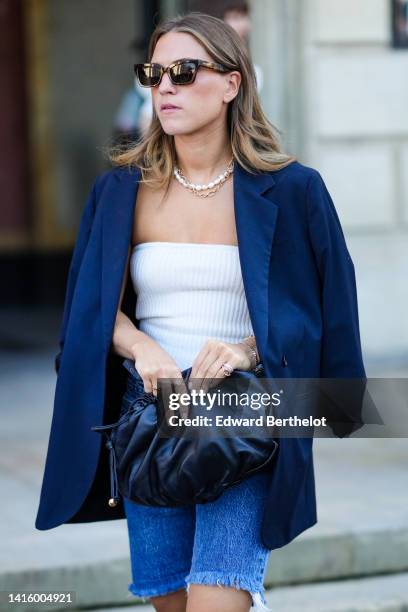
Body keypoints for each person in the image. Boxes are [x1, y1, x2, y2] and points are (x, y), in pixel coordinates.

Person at [34, 11, 366, 612]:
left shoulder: (293, 190)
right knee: (170, 601)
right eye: (154, 73)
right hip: (148, 418)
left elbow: (325, 306)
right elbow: (89, 311)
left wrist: (246, 348)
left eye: (184, 72)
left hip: (243, 411)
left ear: (233, 82)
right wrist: (140, 346)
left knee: (217, 599)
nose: (164, 87)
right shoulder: (120, 192)